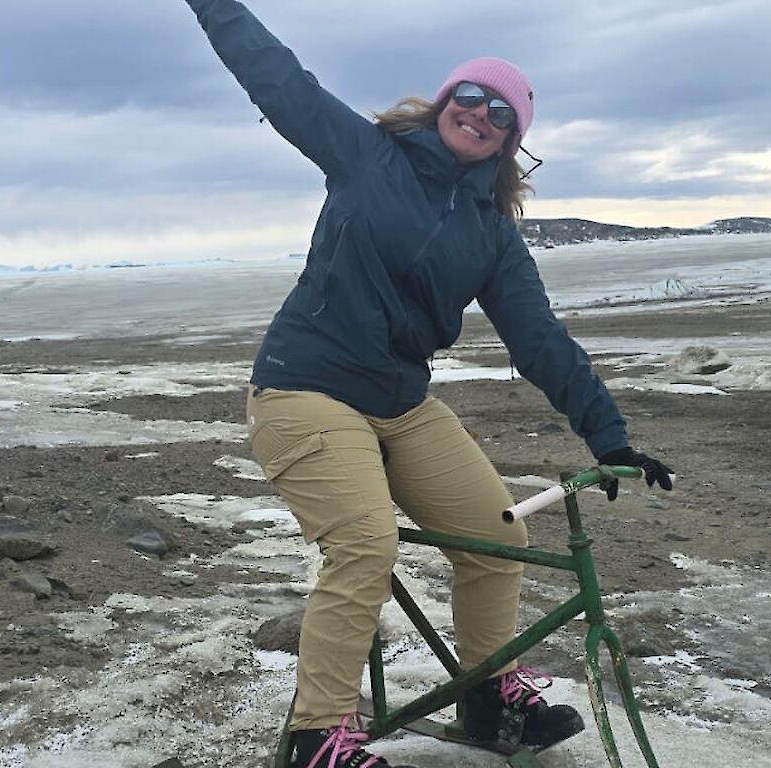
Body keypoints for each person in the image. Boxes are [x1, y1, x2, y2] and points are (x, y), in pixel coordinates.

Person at [183, 1, 673, 765]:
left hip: (399, 404)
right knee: (365, 545)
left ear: (512, 141)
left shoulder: (491, 233)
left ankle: (488, 696)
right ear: (446, 102)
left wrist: (609, 435)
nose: (480, 114)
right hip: (304, 388)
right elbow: (275, 76)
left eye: (501, 112)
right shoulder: (365, 153)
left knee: (498, 531)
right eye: (470, 97)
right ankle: (318, 738)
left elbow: (540, 339)